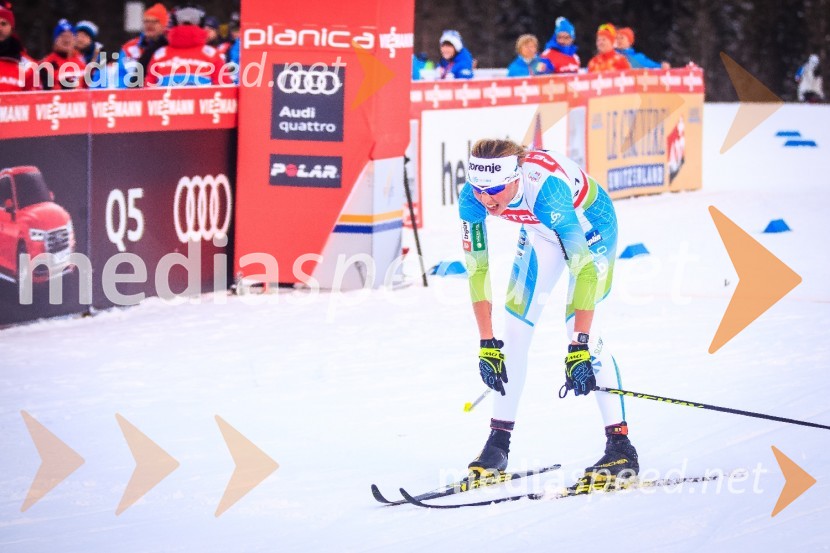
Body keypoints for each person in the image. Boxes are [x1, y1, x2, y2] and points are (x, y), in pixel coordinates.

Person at [459, 139, 638, 491]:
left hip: (592, 232)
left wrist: (579, 347)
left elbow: (584, 268)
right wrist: (486, 343)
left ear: (514, 179)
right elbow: (476, 270)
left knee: (581, 330)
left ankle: (621, 448)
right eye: (479, 190)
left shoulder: (547, 192)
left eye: (495, 190)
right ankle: (498, 445)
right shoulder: (474, 197)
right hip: (541, 233)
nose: (487, 199)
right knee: (513, 332)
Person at [146, 4, 230, 87]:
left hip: (165, 100)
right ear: (201, 25)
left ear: (174, 24)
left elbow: (148, 92)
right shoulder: (212, 54)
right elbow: (225, 91)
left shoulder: (160, 55)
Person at [118, 2, 169, 88]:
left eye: (155, 21)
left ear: (164, 25)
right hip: (133, 96)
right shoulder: (129, 48)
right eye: (146, 21)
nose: (149, 25)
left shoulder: (169, 47)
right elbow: (121, 76)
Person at [39, 19, 86, 89]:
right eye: (62, 36)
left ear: (75, 40)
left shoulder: (81, 61)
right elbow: (44, 94)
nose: (66, 40)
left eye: (69, 36)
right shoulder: (47, 65)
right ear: (55, 40)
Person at [0, 3, 37, 92]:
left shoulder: (28, 66)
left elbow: (35, 100)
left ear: (11, 28)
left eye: (4, 24)